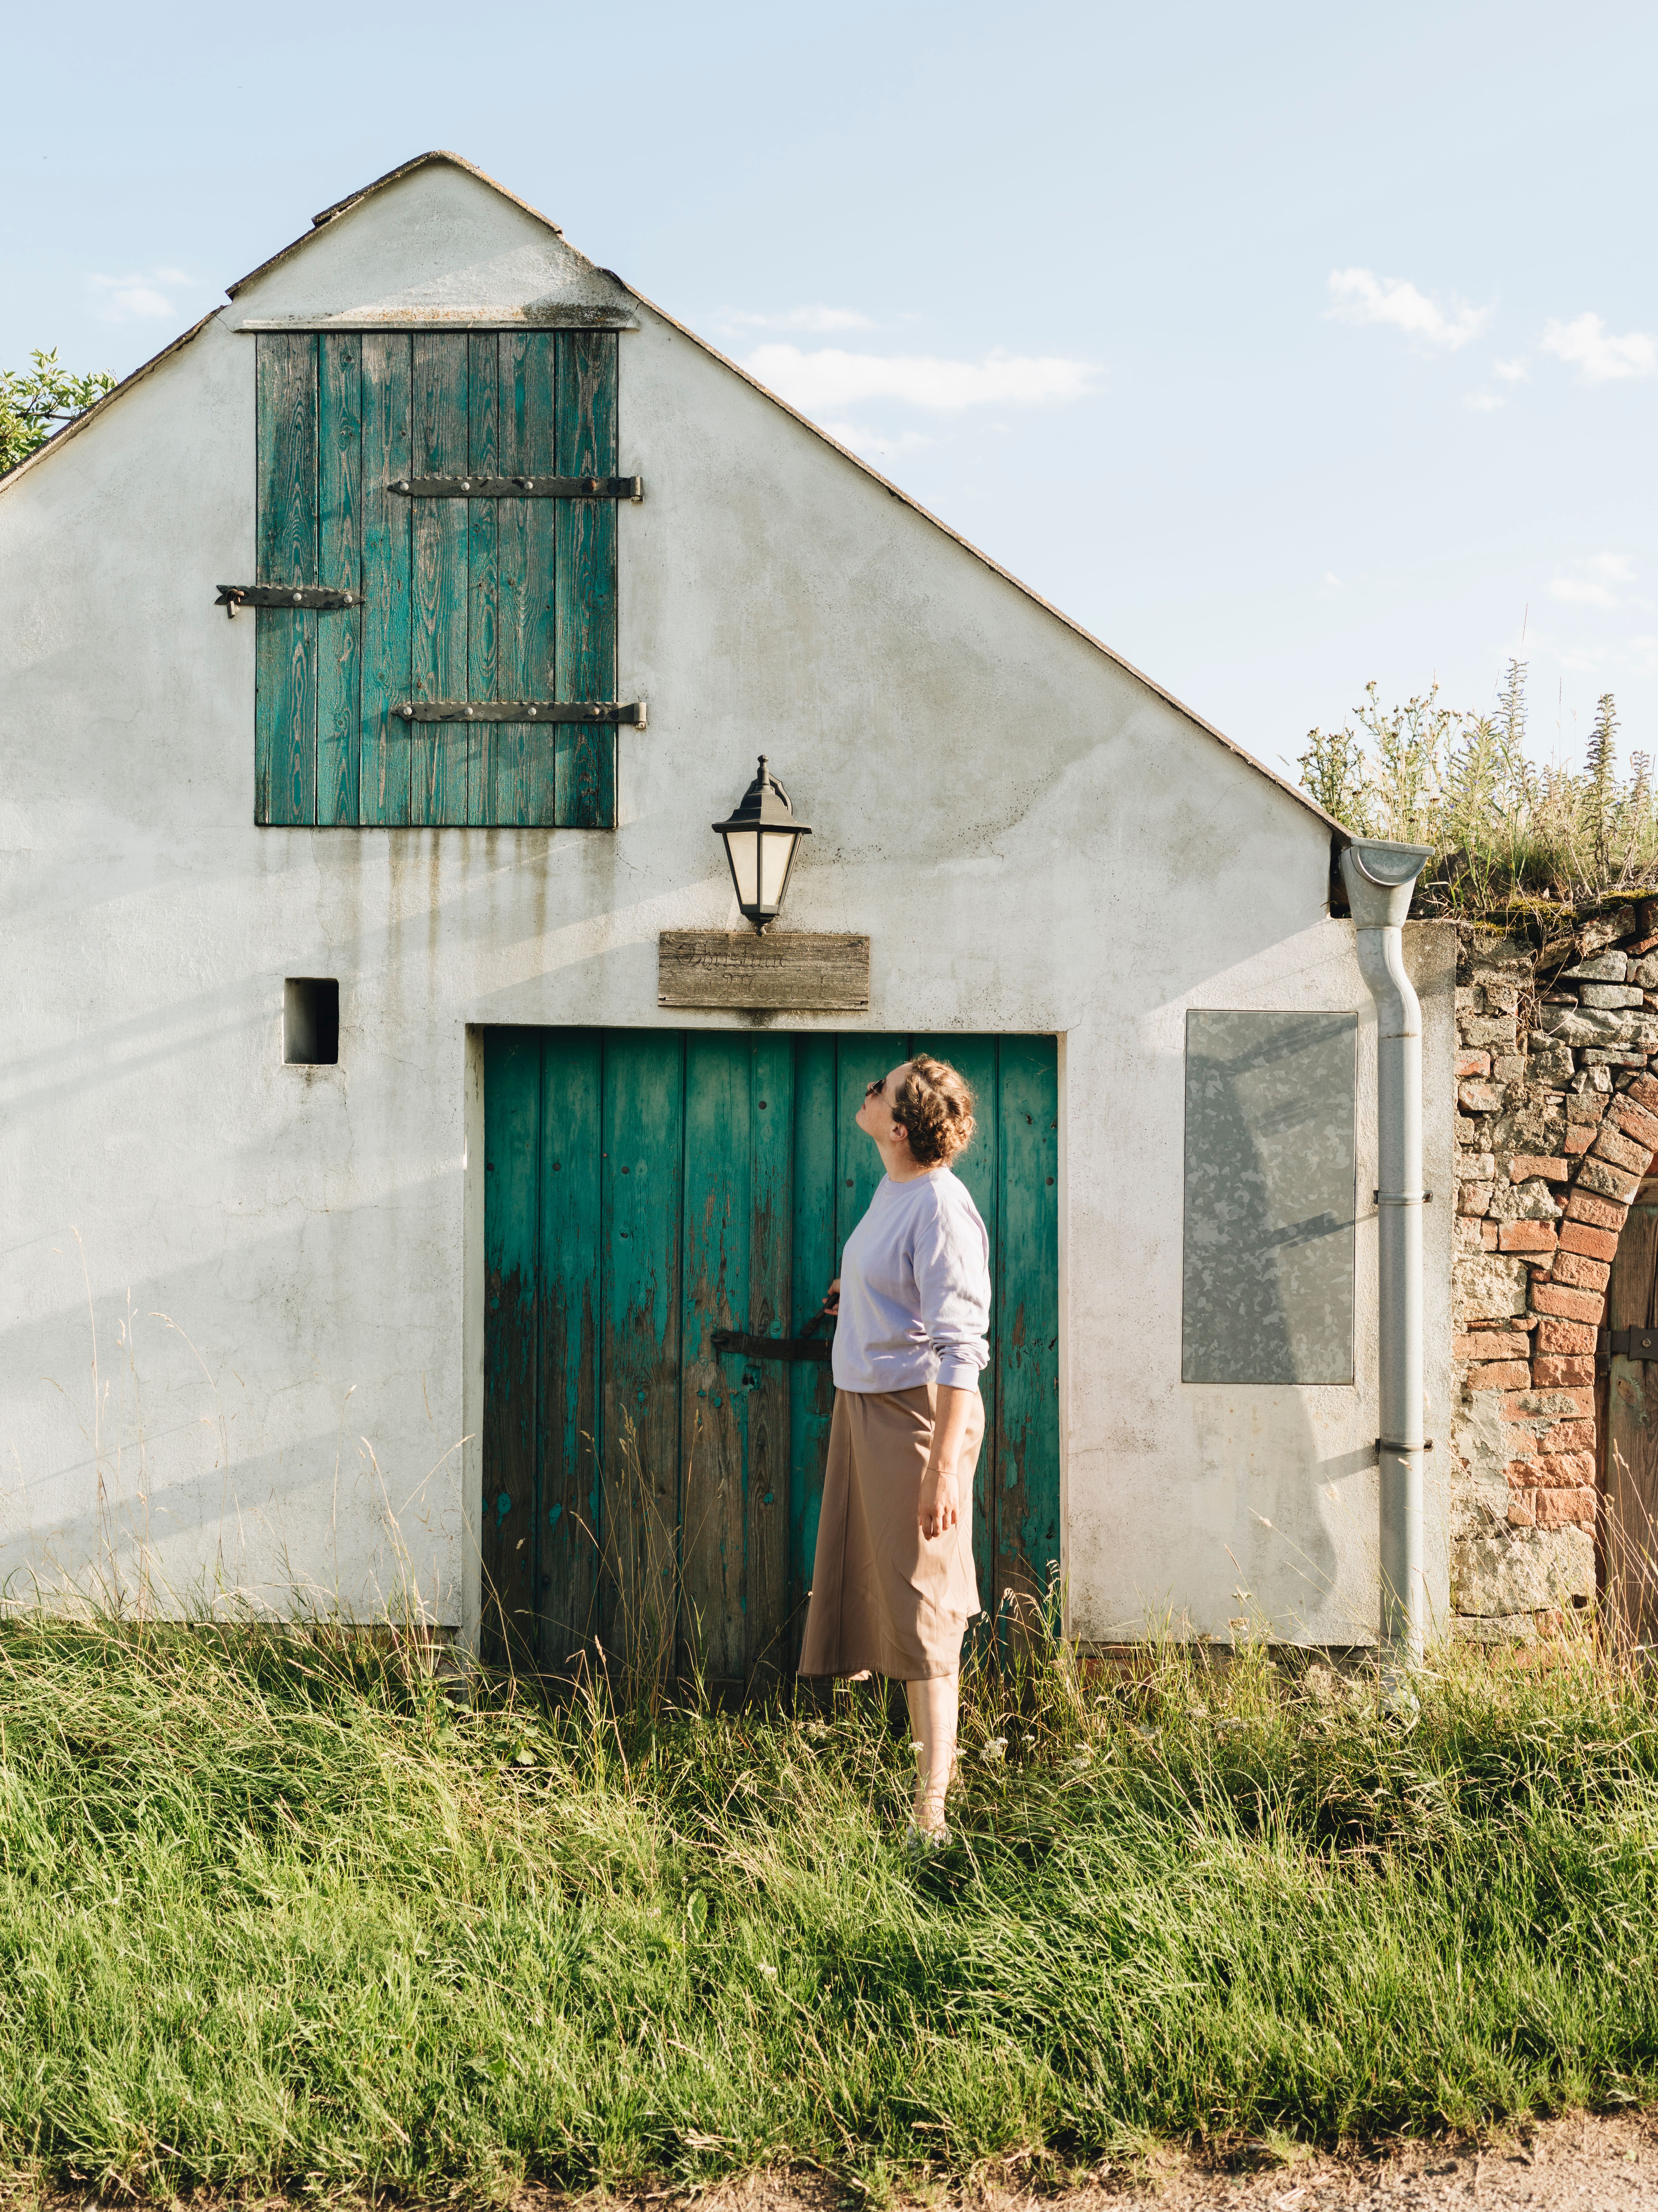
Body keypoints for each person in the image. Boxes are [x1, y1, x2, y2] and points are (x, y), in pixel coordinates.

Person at [797, 1053, 990, 1847]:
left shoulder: (941, 1206)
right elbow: (904, 1292)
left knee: (926, 1612)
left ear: (902, 1125)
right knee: (895, 1599)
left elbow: (961, 1347)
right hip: (866, 1413)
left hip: (918, 1422)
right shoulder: (895, 1189)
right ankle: (923, 1797)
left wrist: (944, 1466)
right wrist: (859, 1300)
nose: (867, 1090)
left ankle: (932, 1818)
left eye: (881, 1087)